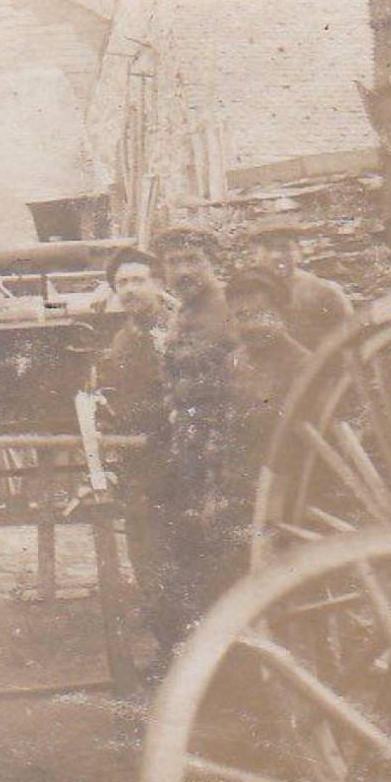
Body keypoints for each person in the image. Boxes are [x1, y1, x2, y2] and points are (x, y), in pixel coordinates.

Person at [149, 224, 245, 641]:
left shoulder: (232, 308)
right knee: (192, 554)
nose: (183, 270)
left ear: (212, 263)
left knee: (226, 556)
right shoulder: (179, 314)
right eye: (174, 263)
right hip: (189, 451)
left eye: (193, 260)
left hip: (228, 454)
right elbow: (171, 379)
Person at [95, 247, 180, 655]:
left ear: (160, 283)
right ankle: (171, 651)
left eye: (138, 280)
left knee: (187, 560)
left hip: (183, 462)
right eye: (122, 283)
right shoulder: (121, 340)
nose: (129, 289)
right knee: (148, 562)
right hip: (140, 467)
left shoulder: (180, 328)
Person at [241, 215, 354, 353]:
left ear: (297, 252)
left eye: (284, 248)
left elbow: (351, 338)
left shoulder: (323, 291)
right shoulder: (247, 294)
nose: (276, 255)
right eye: (268, 248)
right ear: (255, 254)